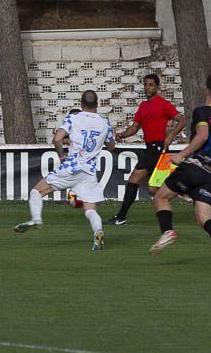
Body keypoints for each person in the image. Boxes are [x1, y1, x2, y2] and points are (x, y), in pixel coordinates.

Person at [148, 71, 211, 269]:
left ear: (206, 89)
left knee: (160, 197)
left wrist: (181, 155)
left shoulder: (201, 112)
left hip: (194, 167)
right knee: (203, 218)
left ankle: (167, 231)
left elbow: (203, 135)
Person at [14, 90, 116, 251]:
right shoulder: (105, 124)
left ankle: (36, 219)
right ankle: (98, 232)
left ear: (81, 104)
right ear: (97, 105)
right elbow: (111, 147)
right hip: (88, 172)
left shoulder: (73, 118)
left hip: (70, 168)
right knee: (90, 209)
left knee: (37, 191)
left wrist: (61, 155)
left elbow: (57, 138)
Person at [109, 73, 185, 226]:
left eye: (151, 85)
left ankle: (121, 216)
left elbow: (182, 120)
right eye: (145, 85)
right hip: (149, 148)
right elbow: (135, 127)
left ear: (157, 87)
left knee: (134, 178)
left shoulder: (163, 104)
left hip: (157, 148)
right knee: (152, 189)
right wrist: (122, 135)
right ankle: (182, 188)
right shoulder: (143, 106)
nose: (147, 88)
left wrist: (170, 135)